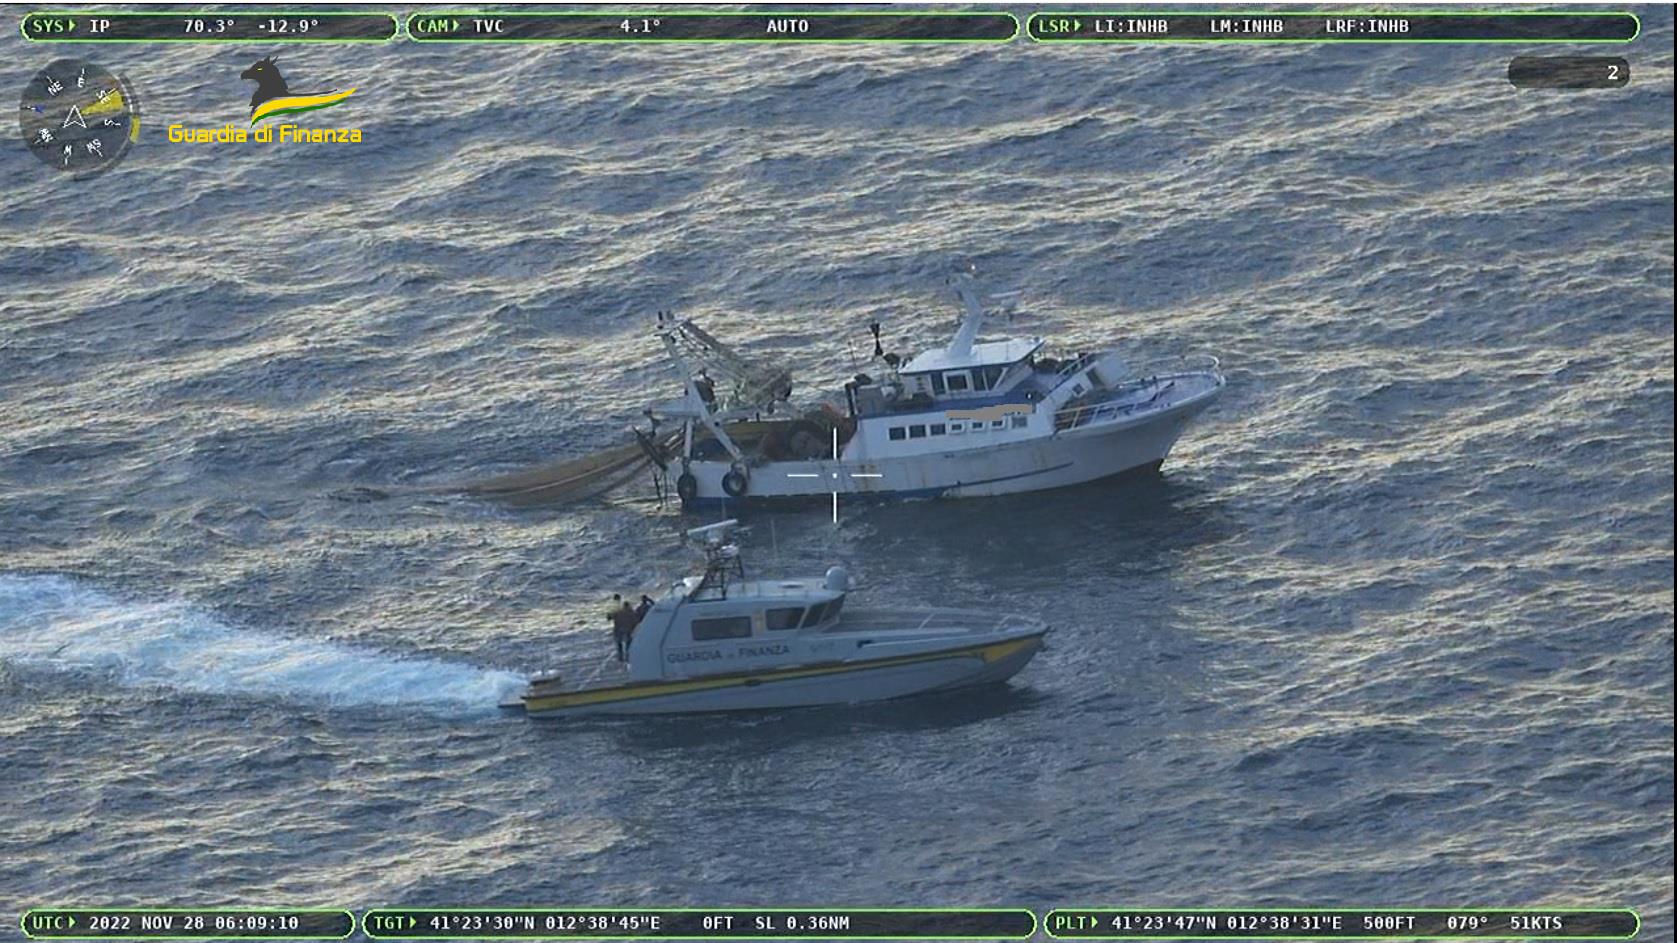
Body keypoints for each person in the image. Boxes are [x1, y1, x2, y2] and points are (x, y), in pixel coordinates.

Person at [609, 598, 638, 662]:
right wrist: (632, 628)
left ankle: (620, 657)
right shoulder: (632, 612)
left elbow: (609, 617)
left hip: (618, 629)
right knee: (628, 644)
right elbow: (635, 622)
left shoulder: (618, 612)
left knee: (619, 644)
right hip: (627, 630)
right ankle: (627, 657)